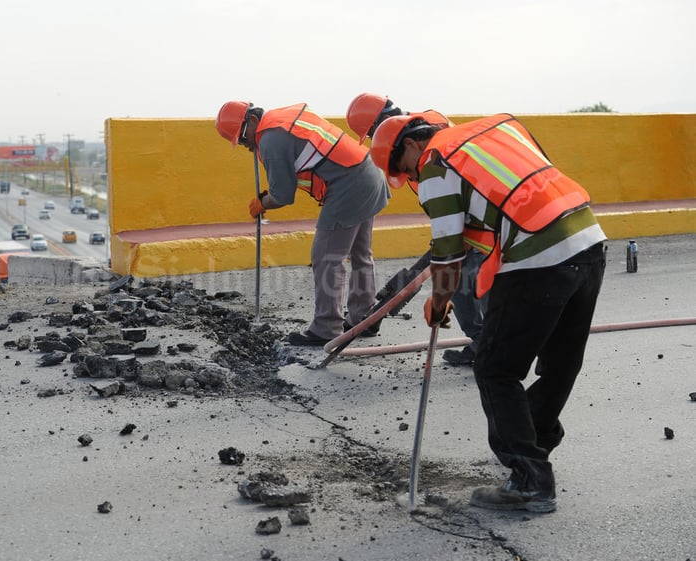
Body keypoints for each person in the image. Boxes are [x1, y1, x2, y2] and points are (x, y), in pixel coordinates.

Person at [370, 112, 607, 513]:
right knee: (561, 362)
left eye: (403, 168)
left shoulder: (435, 163)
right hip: (588, 242)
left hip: (538, 260)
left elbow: (447, 251)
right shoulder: (492, 134)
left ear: (410, 146)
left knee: (496, 368)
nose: (410, 178)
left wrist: (440, 301)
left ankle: (530, 481)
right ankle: (536, 441)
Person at [215, 101, 390, 346]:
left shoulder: (270, 139)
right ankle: (365, 317)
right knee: (360, 253)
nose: (246, 145)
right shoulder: (282, 119)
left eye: (243, 137)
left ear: (253, 121)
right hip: (367, 172)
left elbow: (283, 194)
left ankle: (327, 327)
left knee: (326, 256)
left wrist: (263, 202)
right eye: (240, 142)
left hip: (348, 185)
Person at [346, 93, 487, 366]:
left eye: (375, 132)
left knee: (472, 279)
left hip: (477, 217)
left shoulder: (424, 138)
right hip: (462, 215)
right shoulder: (420, 131)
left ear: (384, 122)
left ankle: (493, 350)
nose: (378, 141)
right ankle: (483, 343)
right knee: (454, 278)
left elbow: (453, 179)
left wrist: (453, 242)